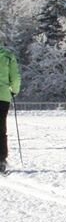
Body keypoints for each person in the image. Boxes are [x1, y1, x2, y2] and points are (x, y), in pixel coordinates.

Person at [0, 43, 20, 174]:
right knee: (1, 129)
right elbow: (15, 77)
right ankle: (1, 160)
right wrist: (14, 90)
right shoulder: (8, 55)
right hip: (2, 97)